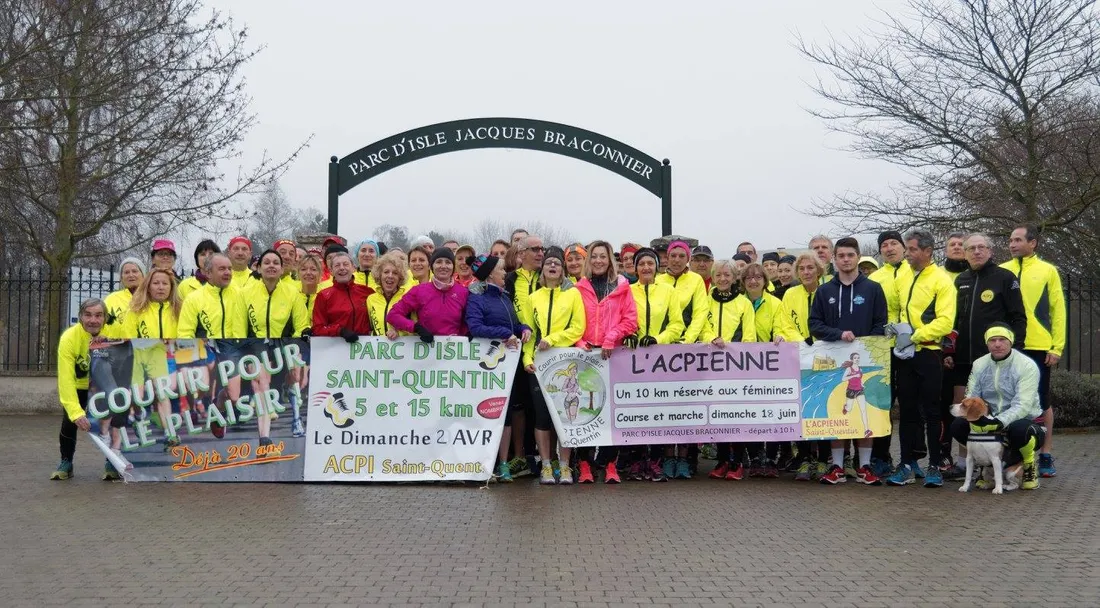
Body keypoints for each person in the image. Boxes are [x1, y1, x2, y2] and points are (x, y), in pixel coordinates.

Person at [944, 233, 1027, 477]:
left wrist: (1015, 350)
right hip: (963, 358)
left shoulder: (1004, 277)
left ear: (990, 251)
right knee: (963, 411)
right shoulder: (961, 280)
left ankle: (1004, 462)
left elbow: (1018, 318)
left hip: (994, 360)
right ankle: (964, 462)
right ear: (966, 253)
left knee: (995, 410)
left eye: (982, 247)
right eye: (971, 248)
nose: (976, 252)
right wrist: (949, 350)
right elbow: (954, 319)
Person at [808, 237, 888, 486]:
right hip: (835, 361)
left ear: (857, 257)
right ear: (834, 259)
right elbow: (815, 325)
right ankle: (837, 467)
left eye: (850, 255)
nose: (845, 260)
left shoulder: (873, 289)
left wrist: (866, 345)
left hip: (866, 360)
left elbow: (881, 323)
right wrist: (838, 335)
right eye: (840, 255)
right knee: (838, 413)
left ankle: (864, 466)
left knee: (867, 415)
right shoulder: (824, 291)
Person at [887, 229, 957, 488]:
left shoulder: (942, 280)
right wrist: (895, 326)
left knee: (932, 411)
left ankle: (935, 466)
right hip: (905, 353)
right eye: (907, 249)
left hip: (928, 352)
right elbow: (895, 304)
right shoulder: (903, 274)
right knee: (906, 411)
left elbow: (945, 322)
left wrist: (915, 335)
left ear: (928, 251)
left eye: (913, 249)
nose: (907, 254)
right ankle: (906, 464)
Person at [1000, 224, 1065, 477]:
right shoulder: (1002, 270)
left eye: (1018, 240)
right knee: (1008, 399)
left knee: (1041, 400)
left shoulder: (1048, 271)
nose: (1012, 244)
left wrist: (1056, 346)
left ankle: (1045, 454)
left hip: (1038, 345)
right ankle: (1015, 456)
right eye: (1010, 240)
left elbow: (1058, 311)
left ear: (1033, 243)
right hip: (1008, 345)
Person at [573, 240, 639, 484]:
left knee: (611, 412)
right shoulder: (578, 288)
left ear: (610, 259)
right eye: (594, 256)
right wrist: (580, 342)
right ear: (588, 260)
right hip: (585, 357)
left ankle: (611, 463)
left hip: (612, 357)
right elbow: (571, 321)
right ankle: (585, 463)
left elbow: (631, 320)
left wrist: (612, 337)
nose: (599, 260)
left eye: (603, 256)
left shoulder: (622, 287)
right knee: (585, 410)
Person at [950, 324, 1045, 490]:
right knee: (958, 426)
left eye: (1002, 340)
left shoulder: (1027, 365)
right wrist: (983, 419)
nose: (997, 344)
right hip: (989, 419)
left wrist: (999, 422)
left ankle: (1028, 465)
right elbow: (972, 396)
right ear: (987, 344)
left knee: (1021, 430)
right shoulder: (979, 364)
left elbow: (1023, 405)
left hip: (1022, 420)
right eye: (992, 340)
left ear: (1011, 342)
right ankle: (985, 467)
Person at [465, 254, 531, 482]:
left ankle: (503, 463)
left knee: (507, 413)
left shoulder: (505, 296)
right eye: (501, 270)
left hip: (507, 366)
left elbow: (511, 323)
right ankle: (486, 462)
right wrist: (505, 334)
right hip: (488, 368)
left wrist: (524, 327)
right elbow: (474, 327)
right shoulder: (477, 298)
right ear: (491, 274)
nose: (505, 273)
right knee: (491, 414)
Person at [523, 247, 586, 485]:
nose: (552, 266)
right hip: (539, 365)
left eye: (556, 264)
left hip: (565, 362)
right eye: (548, 262)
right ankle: (547, 466)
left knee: (565, 417)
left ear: (562, 270)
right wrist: (526, 359)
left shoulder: (573, 295)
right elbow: (528, 332)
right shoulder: (533, 297)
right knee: (542, 417)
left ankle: (566, 465)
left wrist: (553, 339)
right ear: (543, 269)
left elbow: (578, 328)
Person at [626, 247, 684, 482]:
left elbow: (677, 324)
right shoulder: (627, 291)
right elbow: (621, 319)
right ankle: (638, 460)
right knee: (636, 410)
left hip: (662, 360)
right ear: (636, 267)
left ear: (657, 266)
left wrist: (658, 339)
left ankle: (657, 461)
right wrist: (627, 334)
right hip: (632, 359)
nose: (646, 268)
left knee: (659, 410)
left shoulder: (668, 291)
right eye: (642, 264)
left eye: (650, 263)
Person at [740, 262, 801, 476]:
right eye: (749, 278)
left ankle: (773, 456)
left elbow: (781, 326)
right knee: (748, 412)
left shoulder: (776, 303)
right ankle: (756, 455)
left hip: (770, 365)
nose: (754, 281)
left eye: (758, 277)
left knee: (771, 411)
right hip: (743, 366)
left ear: (765, 281)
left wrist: (780, 336)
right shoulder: (738, 303)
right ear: (743, 282)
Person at [244, 250, 310, 445]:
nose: (271, 266)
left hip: (286, 339)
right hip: (257, 342)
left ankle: (296, 418)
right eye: (267, 262)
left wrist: (301, 337)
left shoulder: (292, 293)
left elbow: (301, 324)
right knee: (260, 383)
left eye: (275, 263)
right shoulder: (246, 292)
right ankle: (264, 438)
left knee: (295, 374)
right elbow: (238, 323)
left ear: (282, 269)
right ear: (259, 267)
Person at [702, 259, 757, 481]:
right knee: (718, 414)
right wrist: (710, 339)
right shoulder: (706, 301)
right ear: (713, 277)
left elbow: (750, 336)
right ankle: (723, 459)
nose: (723, 279)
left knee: (736, 414)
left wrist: (735, 351)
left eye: (727, 275)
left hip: (735, 367)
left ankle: (737, 461)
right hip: (711, 366)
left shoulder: (743, 303)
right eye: (719, 275)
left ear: (735, 277)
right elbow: (702, 326)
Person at [122, 268, 184, 451]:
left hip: (157, 351)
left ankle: (170, 433)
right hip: (135, 352)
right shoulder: (135, 309)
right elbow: (126, 334)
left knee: (162, 392)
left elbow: (184, 332)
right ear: (148, 286)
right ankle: (138, 415)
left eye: (165, 283)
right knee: (137, 395)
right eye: (156, 283)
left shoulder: (177, 310)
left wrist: (172, 339)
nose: (160, 287)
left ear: (171, 287)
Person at [783, 253, 830, 480]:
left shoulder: (828, 291)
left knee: (822, 407)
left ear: (818, 270)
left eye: (811, 268)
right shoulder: (791, 294)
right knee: (802, 408)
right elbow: (784, 323)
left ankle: (823, 460)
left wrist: (820, 339)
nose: (806, 272)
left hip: (825, 355)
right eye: (802, 268)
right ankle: (803, 457)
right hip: (800, 355)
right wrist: (802, 340)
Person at [51, 299, 107, 480]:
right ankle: (66, 462)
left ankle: (113, 464)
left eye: (98, 315)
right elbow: (65, 378)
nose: (93, 320)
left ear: (105, 318)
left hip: (103, 387)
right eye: (88, 315)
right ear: (81, 316)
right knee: (68, 423)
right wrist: (76, 412)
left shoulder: (113, 334)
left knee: (113, 422)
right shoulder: (68, 338)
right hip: (79, 387)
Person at [503, 235, 544, 477]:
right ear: (522, 253)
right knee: (518, 404)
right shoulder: (511, 279)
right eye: (535, 249)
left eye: (542, 249)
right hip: (515, 348)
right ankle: (520, 457)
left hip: (543, 349)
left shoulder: (549, 278)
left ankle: (543, 456)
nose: (540, 253)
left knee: (540, 406)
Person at [388, 248, 469, 340]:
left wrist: (467, 334)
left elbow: (467, 321)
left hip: (454, 349)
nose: (443, 266)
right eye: (438, 262)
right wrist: (415, 327)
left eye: (448, 262)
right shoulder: (419, 291)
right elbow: (393, 315)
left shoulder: (463, 292)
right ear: (431, 266)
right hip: (426, 348)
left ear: (453, 267)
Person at [656, 240, 709, 344]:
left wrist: (687, 340)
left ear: (688, 259)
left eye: (681, 256)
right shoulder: (657, 280)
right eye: (673, 255)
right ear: (668, 258)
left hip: (687, 343)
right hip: (660, 342)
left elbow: (700, 313)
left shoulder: (696, 279)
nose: (677, 260)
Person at [312, 252, 373, 340]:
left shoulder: (367, 292)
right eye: (337, 265)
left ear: (353, 268)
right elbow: (317, 328)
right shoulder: (323, 296)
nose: (342, 268)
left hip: (365, 347)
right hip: (338, 348)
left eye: (346, 264)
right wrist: (339, 331)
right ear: (331, 271)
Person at [366, 251, 410, 339]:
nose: (390, 276)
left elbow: (415, 329)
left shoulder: (407, 298)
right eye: (386, 272)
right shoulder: (371, 299)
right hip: (377, 350)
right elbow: (370, 328)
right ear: (379, 275)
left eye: (395, 273)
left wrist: (399, 333)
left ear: (400, 277)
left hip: (403, 350)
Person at [104, 257, 145, 336]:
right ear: (121, 278)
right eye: (126, 272)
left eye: (135, 271)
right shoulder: (111, 299)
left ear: (143, 275)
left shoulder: (152, 299)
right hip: (117, 345)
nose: (131, 275)